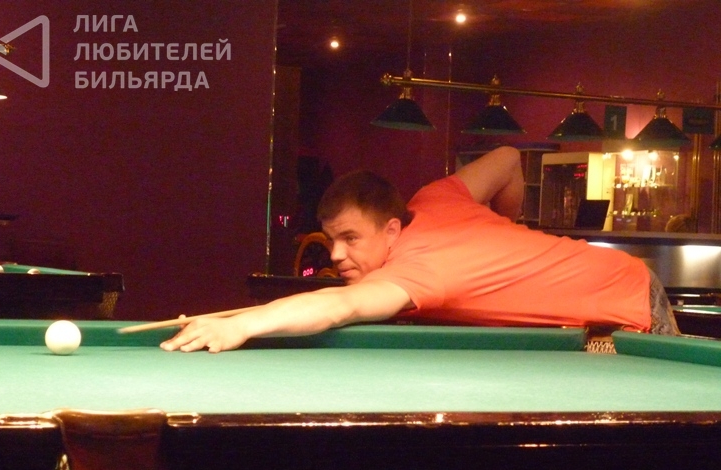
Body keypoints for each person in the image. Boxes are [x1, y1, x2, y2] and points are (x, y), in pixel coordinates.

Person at [161, 146, 678, 354]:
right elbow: (507, 158)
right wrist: (510, 224)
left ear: (392, 229)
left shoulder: (419, 269)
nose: (336, 255)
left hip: (629, 299)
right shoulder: (435, 197)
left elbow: (342, 305)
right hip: (608, 291)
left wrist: (241, 325)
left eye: (351, 239)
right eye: (332, 238)